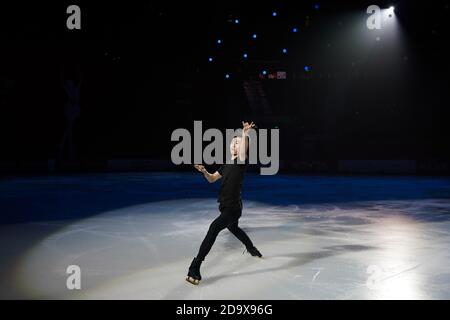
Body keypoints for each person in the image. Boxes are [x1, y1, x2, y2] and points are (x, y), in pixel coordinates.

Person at [186, 121, 262, 285]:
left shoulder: (241, 161)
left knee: (213, 229)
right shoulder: (226, 164)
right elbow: (212, 179)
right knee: (233, 228)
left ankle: (195, 266)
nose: (235, 144)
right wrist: (205, 171)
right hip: (225, 206)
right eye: (233, 142)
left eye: (238, 143)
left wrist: (245, 134)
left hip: (233, 208)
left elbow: (243, 150)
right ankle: (251, 248)